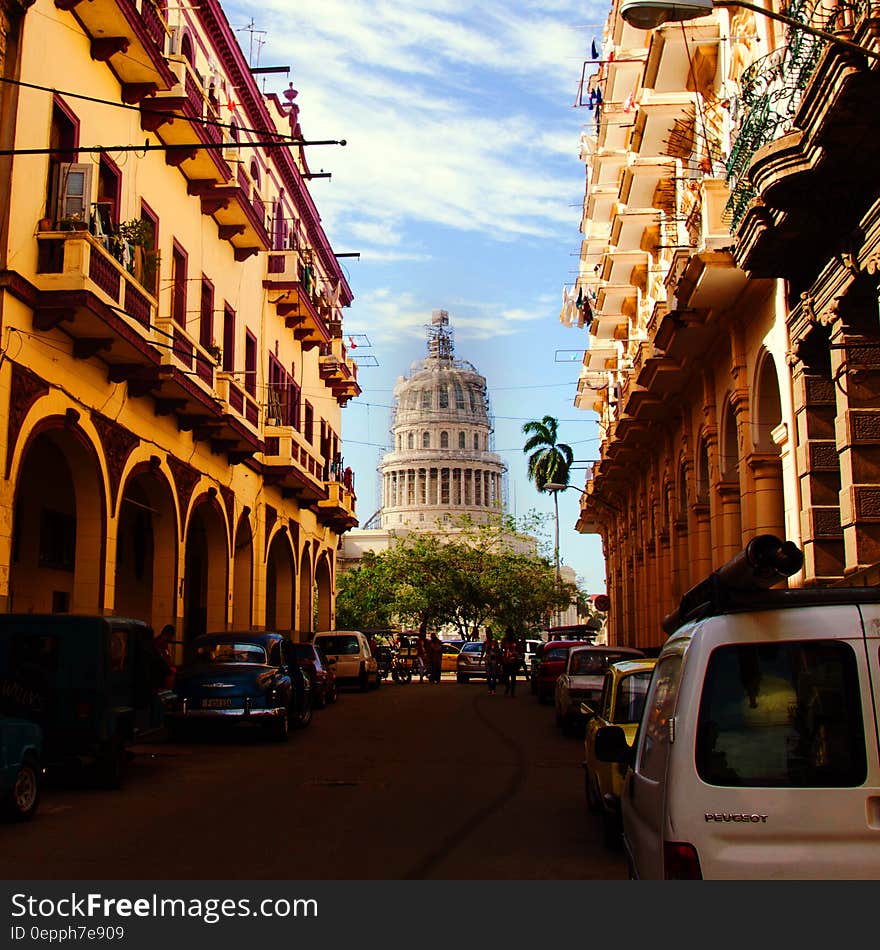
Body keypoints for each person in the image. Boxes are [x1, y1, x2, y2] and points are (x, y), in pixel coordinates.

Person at [152, 623, 176, 689]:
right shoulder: (160, 643)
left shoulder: (160, 642)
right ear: (169, 634)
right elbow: (163, 658)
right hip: (160, 673)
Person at [500, 630, 521, 697]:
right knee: (505, 676)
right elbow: (502, 649)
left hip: (514, 660)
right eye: (507, 633)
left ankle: (512, 691)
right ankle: (508, 686)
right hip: (506, 660)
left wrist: (516, 654)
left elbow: (519, 649)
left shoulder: (515, 641)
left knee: (513, 676)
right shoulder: (504, 641)